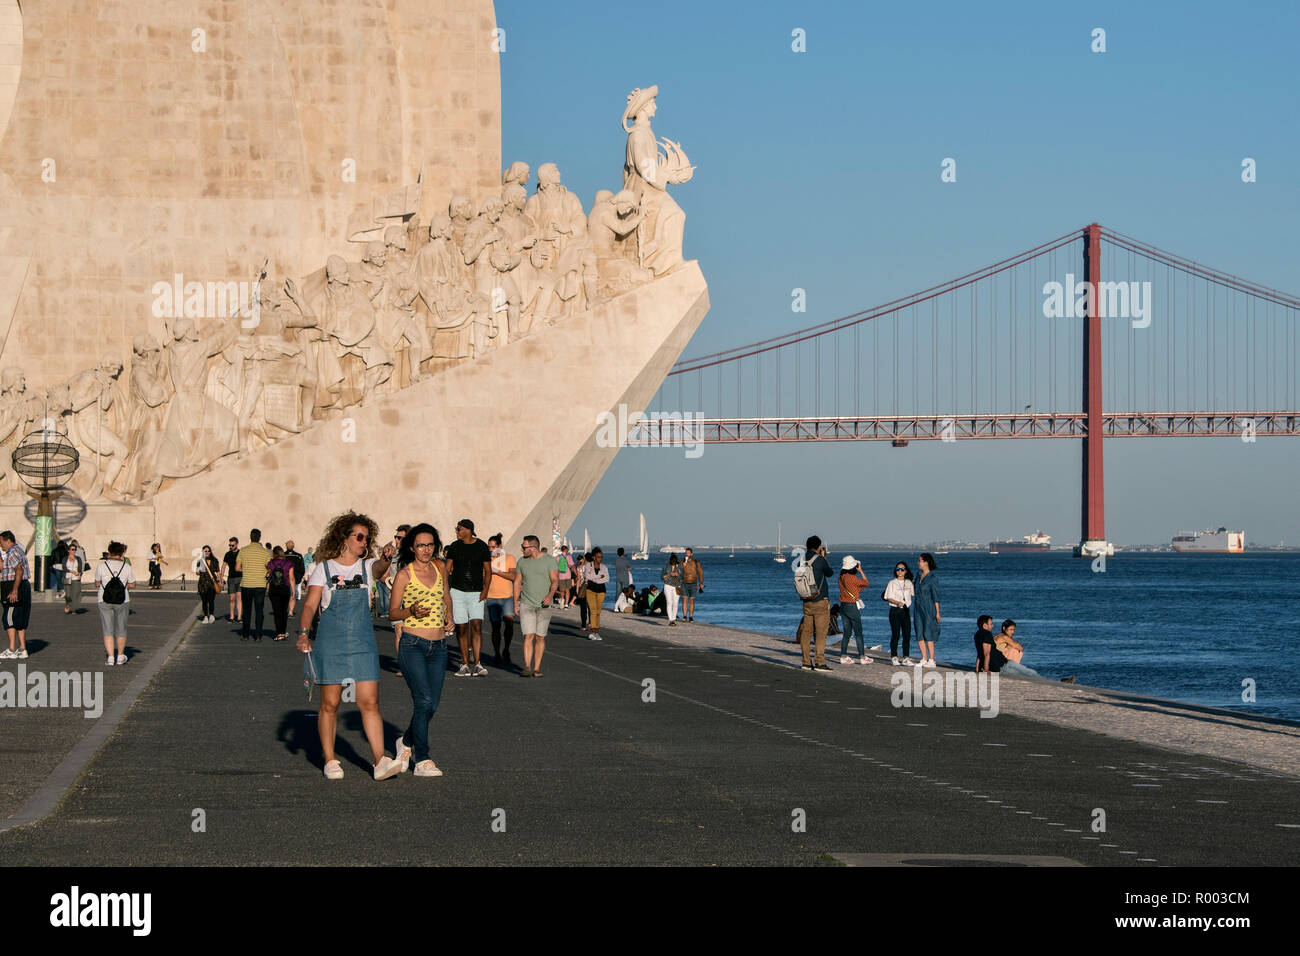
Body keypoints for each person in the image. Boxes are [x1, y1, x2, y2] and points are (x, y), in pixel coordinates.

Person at [295, 511, 403, 781]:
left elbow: (378, 570)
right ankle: (330, 760)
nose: (363, 542)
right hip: (331, 643)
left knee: (370, 701)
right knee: (330, 703)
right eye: (358, 536)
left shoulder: (367, 567)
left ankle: (379, 761)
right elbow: (310, 604)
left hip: (362, 643)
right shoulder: (324, 568)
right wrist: (304, 633)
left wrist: (386, 556)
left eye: (367, 538)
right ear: (343, 538)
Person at [388, 523, 454, 777]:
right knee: (423, 700)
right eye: (420, 545)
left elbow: (445, 596)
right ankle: (422, 759)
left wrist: (449, 615)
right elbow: (393, 612)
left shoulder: (439, 567)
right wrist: (410, 611)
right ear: (412, 548)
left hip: (438, 646)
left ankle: (405, 741)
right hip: (413, 645)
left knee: (432, 705)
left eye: (430, 545)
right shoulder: (405, 574)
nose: (426, 550)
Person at [444, 518, 491, 677]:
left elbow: (488, 570)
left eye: (459, 529)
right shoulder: (455, 547)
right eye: (456, 529)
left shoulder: (482, 546)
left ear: (468, 530)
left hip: (476, 592)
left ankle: (477, 663)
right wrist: (444, 588)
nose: (456, 532)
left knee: (477, 625)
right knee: (462, 627)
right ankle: (464, 664)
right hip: (457, 592)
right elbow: (447, 568)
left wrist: (485, 590)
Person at [514, 534, 558, 678]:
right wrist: (515, 602)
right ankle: (527, 666)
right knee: (528, 635)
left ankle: (537, 668)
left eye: (524, 547)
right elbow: (517, 583)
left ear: (533, 548)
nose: (522, 549)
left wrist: (550, 596)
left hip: (545, 605)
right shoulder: (521, 562)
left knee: (540, 637)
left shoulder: (549, 561)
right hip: (527, 603)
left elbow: (555, 581)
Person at [990, 619, 1076, 683]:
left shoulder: (998, 637)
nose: (1012, 632)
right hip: (1002, 665)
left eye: (1013, 630)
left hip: (1000, 663)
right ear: (1004, 628)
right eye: (1010, 629)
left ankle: (1059, 681)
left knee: (1030, 674)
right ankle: (1060, 681)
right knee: (1030, 673)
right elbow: (1019, 647)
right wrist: (1012, 647)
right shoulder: (1004, 637)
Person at [96, 541, 136, 666]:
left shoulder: (102, 566)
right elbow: (133, 585)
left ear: (109, 552)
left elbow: (97, 583)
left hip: (104, 599)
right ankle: (120, 656)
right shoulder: (126, 566)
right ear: (121, 553)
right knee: (121, 628)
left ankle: (110, 657)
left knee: (107, 629)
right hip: (122, 599)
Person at [797, 535, 834, 671]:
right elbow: (830, 573)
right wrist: (824, 557)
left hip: (806, 600)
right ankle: (819, 661)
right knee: (821, 633)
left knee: (806, 632)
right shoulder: (820, 560)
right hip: (820, 600)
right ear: (819, 547)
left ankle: (806, 661)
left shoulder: (800, 560)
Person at [486, 533, 517, 666]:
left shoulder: (509, 558)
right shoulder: (486, 559)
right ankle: (497, 652)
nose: (491, 550)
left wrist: (496, 571)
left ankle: (506, 649)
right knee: (495, 627)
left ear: (500, 546)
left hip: (507, 597)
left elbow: (513, 576)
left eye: (493, 547)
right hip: (492, 597)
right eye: (489, 547)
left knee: (509, 623)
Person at [0, 530, 32, 660]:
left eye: (1, 542)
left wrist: (14, 591)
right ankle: (22, 649)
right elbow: (3, 568)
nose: (0, 545)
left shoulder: (12, 552)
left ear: (8, 540)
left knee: (8, 618)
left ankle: (12, 649)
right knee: (20, 619)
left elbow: (18, 570)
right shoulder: (18, 550)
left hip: (13, 586)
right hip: (23, 586)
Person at [237, 529, 272, 641]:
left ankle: (245, 634)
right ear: (259, 538)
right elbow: (270, 568)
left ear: (250, 537)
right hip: (260, 585)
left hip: (246, 584)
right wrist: (264, 572)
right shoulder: (265, 552)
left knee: (246, 611)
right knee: (259, 611)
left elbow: (237, 568)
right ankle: (258, 635)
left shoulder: (243, 550)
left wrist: (247, 570)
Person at [837, 556, 871, 665]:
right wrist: (861, 571)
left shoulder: (841, 577)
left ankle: (843, 655)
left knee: (847, 632)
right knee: (858, 632)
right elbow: (866, 583)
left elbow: (853, 588)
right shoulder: (852, 578)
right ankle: (862, 656)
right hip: (852, 606)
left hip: (843, 606)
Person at [884, 560, 916, 665]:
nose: (900, 571)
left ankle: (906, 657)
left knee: (907, 634)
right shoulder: (892, 583)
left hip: (906, 610)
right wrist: (897, 603)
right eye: (898, 569)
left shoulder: (909, 583)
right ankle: (894, 656)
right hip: (895, 610)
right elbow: (888, 597)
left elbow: (914, 594)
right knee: (896, 634)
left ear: (906, 571)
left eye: (902, 569)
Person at [912, 552, 940, 668]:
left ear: (926, 562)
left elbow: (936, 596)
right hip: (917, 606)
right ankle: (923, 658)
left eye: (920, 561)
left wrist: (937, 612)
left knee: (928, 633)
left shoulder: (932, 578)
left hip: (929, 607)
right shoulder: (918, 575)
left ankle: (931, 660)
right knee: (919, 632)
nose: (918, 563)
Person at [266, 545, 297, 641]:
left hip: (274, 588)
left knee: (276, 611)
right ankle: (283, 632)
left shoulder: (271, 563)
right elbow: (291, 578)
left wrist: (267, 588)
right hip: (285, 588)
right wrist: (293, 591)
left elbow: (268, 576)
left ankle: (279, 633)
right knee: (284, 611)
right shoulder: (288, 563)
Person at [583, 547, 609, 640]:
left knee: (598, 612)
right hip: (590, 590)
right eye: (598, 557)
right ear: (594, 557)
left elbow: (606, 579)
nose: (600, 559)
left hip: (601, 590)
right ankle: (593, 631)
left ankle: (597, 631)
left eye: (601, 557)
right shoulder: (588, 565)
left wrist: (595, 578)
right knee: (593, 611)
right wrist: (599, 577)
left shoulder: (604, 567)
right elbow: (587, 576)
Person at [194, 545, 222, 623]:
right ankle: (205, 616)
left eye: (208, 551)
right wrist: (198, 570)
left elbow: (218, 571)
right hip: (202, 583)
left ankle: (211, 615)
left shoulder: (214, 560)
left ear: (210, 552)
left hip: (212, 583)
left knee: (211, 600)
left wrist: (220, 580)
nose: (206, 552)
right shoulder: (200, 561)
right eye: (205, 551)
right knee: (204, 601)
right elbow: (197, 572)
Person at [64, 538, 88, 615]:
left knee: (76, 593)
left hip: (76, 578)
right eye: (72, 549)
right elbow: (64, 568)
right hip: (68, 577)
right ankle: (68, 604)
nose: (74, 551)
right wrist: (71, 571)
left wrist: (80, 574)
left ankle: (74, 609)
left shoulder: (78, 559)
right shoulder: (65, 559)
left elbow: (80, 567)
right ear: (69, 550)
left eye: (75, 549)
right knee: (68, 594)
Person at [680, 547, 703, 622]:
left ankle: (690, 616)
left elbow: (700, 573)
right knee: (684, 599)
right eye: (686, 553)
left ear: (691, 554)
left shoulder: (696, 562)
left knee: (692, 600)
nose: (687, 554)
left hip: (693, 583)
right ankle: (684, 616)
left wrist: (701, 583)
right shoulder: (682, 561)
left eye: (688, 553)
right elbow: (679, 572)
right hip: (684, 582)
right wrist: (682, 566)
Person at [222, 537, 242, 622]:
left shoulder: (241, 553)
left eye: (232, 545)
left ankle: (239, 617)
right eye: (229, 545)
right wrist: (221, 576)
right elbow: (224, 565)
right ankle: (231, 616)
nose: (231, 547)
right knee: (231, 598)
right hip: (231, 578)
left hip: (240, 577)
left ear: (237, 544)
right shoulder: (227, 554)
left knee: (239, 598)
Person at [660, 552, 682, 626]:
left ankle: (673, 619)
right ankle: (670, 620)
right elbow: (662, 576)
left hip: (677, 586)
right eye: (672, 561)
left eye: (674, 562)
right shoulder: (666, 566)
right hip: (668, 585)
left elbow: (683, 576)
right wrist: (669, 574)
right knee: (669, 602)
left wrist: (678, 575)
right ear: (670, 560)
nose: (673, 563)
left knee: (675, 603)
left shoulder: (679, 567)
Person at [573, 553, 590, 630]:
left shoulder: (579, 567)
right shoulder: (590, 566)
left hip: (582, 588)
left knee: (583, 607)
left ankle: (583, 626)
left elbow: (578, 579)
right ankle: (590, 623)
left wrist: (577, 589)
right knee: (590, 607)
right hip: (590, 587)